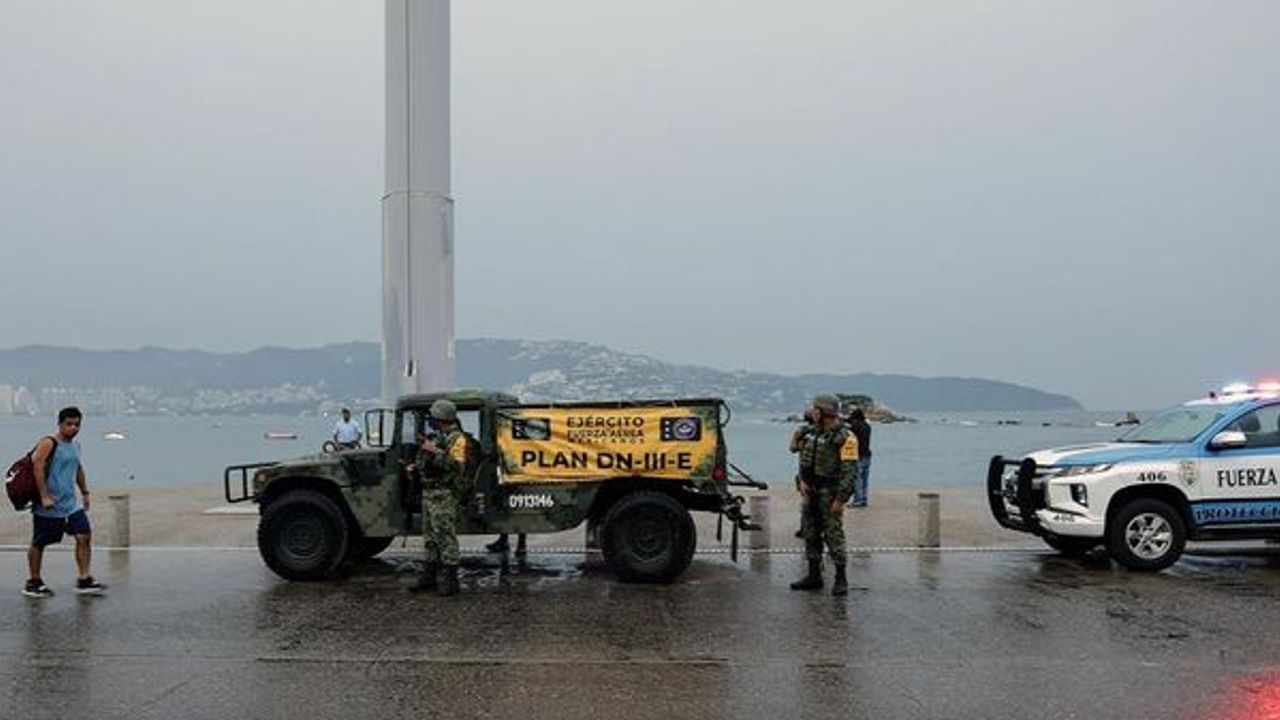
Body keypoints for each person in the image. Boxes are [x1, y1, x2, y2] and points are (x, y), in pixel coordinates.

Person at [24, 407, 106, 598]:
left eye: (77, 424)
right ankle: (33, 581)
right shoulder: (48, 443)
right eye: (69, 424)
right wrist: (44, 496)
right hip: (48, 505)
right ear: (60, 424)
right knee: (39, 542)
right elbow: (37, 468)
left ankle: (84, 579)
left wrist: (85, 492)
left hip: (71, 504)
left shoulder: (75, 446)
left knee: (84, 535)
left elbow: (77, 468)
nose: (73, 428)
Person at [790, 394, 858, 596]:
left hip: (830, 493)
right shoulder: (812, 433)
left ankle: (841, 578)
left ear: (822, 412)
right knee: (810, 533)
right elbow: (802, 457)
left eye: (815, 409)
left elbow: (850, 471)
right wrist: (802, 481)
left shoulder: (845, 437)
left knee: (833, 534)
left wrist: (841, 499)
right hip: (811, 491)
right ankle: (814, 575)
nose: (812, 412)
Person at [408, 399, 475, 596]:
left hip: (444, 494)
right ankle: (429, 576)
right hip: (430, 493)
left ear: (441, 418)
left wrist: (434, 451)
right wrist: (416, 467)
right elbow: (429, 463)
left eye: (434, 417)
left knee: (445, 536)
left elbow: (456, 466)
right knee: (430, 537)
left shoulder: (457, 439)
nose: (431, 420)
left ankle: (451, 580)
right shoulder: (440, 436)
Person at [846, 407, 873, 508]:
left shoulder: (854, 426)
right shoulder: (867, 426)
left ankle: (857, 500)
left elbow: (848, 425)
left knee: (857, 478)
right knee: (865, 479)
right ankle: (864, 499)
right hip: (867, 454)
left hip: (858, 455)